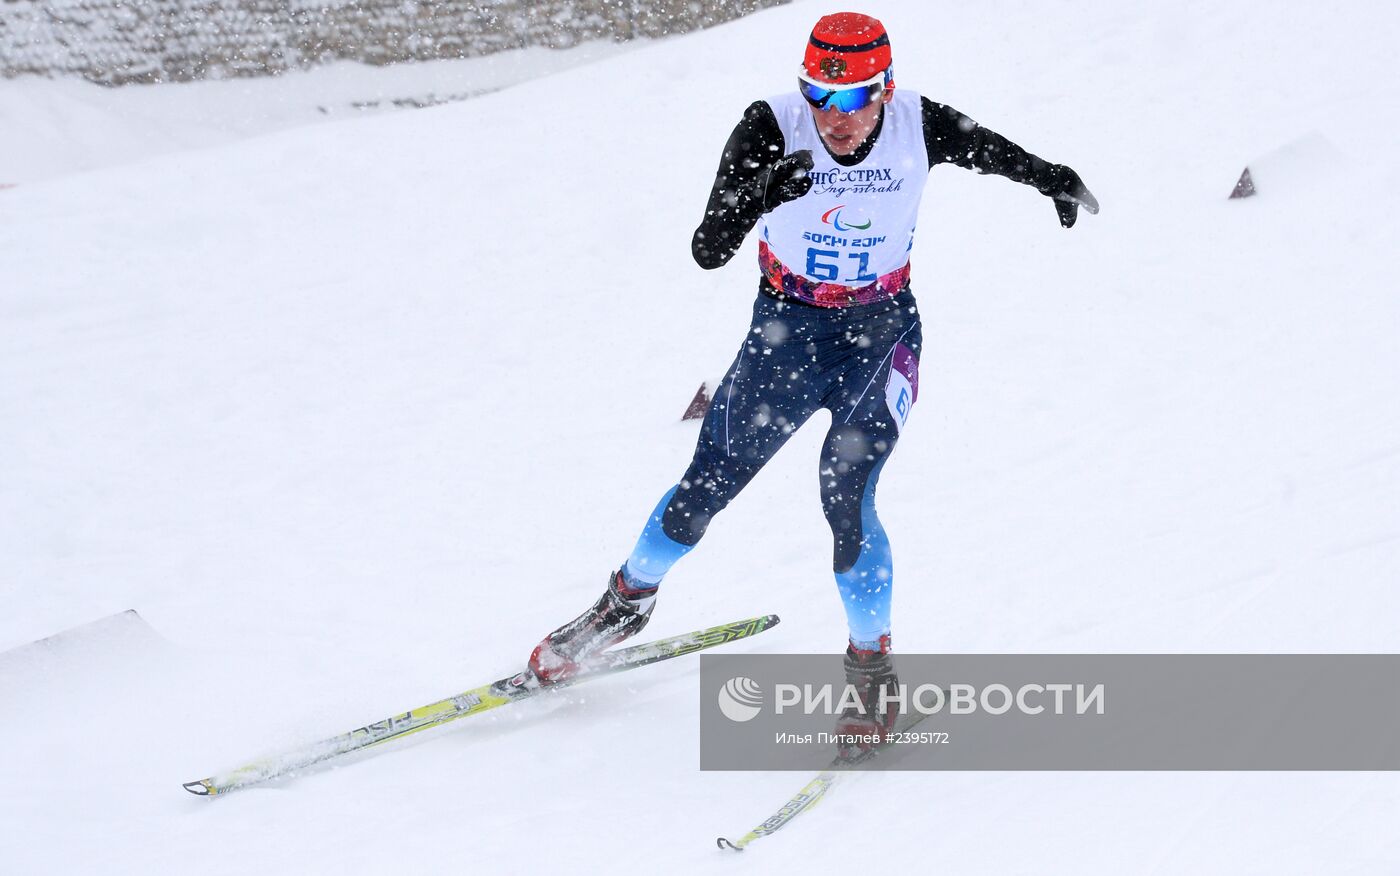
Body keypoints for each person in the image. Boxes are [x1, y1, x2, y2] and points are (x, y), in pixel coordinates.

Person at [522, 11, 1097, 755]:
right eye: (821, 98)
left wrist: (1054, 177)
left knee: (844, 491)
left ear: (884, 90)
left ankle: (872, 671)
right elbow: (707, 249)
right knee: (708, 482)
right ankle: (623, 605)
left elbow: (995, 153)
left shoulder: (921, 124)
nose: (837, 120)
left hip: (880, 336)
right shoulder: (771, 125)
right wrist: (763, 190)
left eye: (855, 100)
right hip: (785, 332)